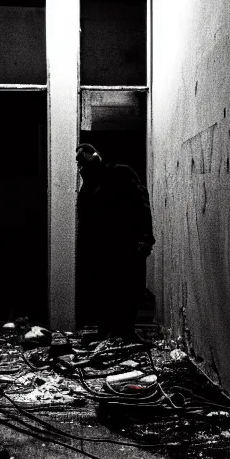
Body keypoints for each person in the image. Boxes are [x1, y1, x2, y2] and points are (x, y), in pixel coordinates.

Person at [75, 143, 155, 343]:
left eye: (83, 161)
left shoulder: (119, 174)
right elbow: (85, 217)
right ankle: (109, 332)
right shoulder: (90, 185)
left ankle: (125, 331)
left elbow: (141, 204)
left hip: (126, 243)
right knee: (105, 288)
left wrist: (146, 238)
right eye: (79, 164)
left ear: (96, 157)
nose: (81, 167)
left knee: (130, 288)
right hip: (103, 247)